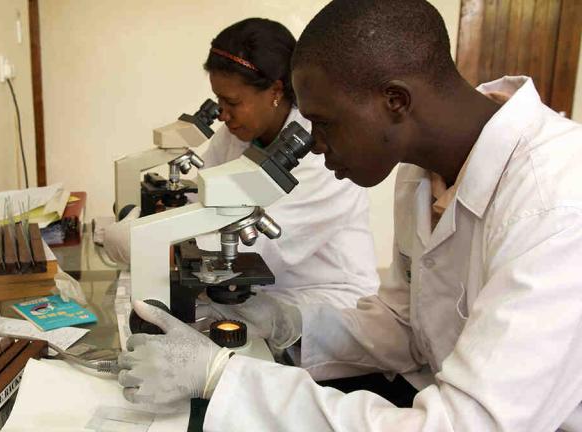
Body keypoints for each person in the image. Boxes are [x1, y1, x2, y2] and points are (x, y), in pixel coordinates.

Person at [117, 1, 582, 430]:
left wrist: (224, 378)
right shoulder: (419, 175)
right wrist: (288, 321)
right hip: (432, 391)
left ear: (395, 101)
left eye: (323, 122)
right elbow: (406, 327)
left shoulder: (556, 205)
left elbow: (467, 425)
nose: (313, 143)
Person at [106, 18, 379, 308]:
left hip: (327, 307)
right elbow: (203, 202)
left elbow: (259, 249)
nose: (222, 115)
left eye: (232, 102)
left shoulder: (321, 157)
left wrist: (153, 242)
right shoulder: (233, 135)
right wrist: (158, 225)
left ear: (275, 91)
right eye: (218, 101)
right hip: (259, 296)